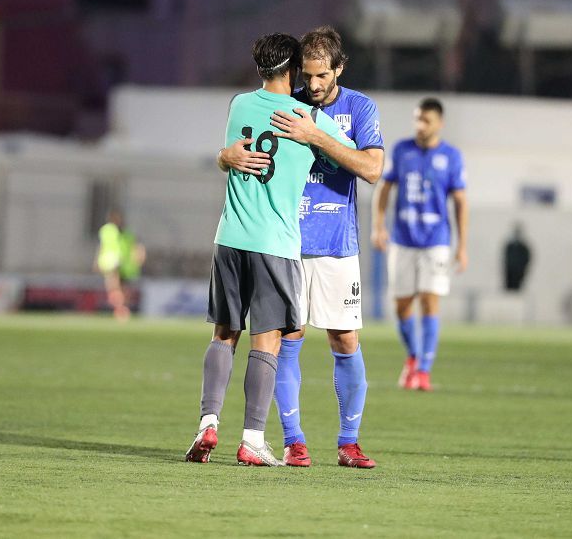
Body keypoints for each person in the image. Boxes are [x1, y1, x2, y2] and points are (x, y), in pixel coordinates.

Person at [185, 33, 354, 467]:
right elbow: (359, 161)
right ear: (294, 67)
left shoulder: (238, 105)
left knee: (224, 333)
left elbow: (227, 155)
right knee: (269, 340)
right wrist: (316, 133)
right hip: (274, 244)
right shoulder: (306, 119)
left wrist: (225, 157)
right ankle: (252, 439)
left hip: (229, 239)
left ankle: (207, 423)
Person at [218, 26, 382, 468]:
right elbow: (243, 145)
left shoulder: (359, 107)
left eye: (321, 76)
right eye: (306, 76)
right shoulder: (288, 103)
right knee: (287, 339)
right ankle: (294, 441)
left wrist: (316, 137)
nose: (312, 85)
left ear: (339, 69)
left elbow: (371, 168)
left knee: (345, 339)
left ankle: (348, 442)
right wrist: (225, 156)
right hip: (286, 244)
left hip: (336, 245)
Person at [372, 98, 468, 392]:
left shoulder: (451, 156)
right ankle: (414, 356)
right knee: (401, 306)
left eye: (426, 120)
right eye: (417, 119)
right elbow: (384, 188)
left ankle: (424, 370)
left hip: (436, 240)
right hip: (403, 239)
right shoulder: (402, 151)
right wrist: (378, 226)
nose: (420, 126)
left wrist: (462, 245)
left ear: (439, 123)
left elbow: (460, 202)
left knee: (429, 300)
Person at [96, 210, 145, 321]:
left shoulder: (127, 233)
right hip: (111, 263)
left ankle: (121, 308)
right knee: (114, 286)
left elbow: (135, 245)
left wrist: (138, 255)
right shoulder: (107, 231)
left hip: (126, 266)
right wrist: (98, 261)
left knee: (124, 290)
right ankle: (120, 309)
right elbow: (102, 246)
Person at [504, 222, 532, 291]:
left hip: (518, 272)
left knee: (517, 287)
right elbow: (506, 258)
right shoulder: (510, 246)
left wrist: (521, 268)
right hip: (510, 271)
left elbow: (526, 258)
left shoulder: (523, 247)